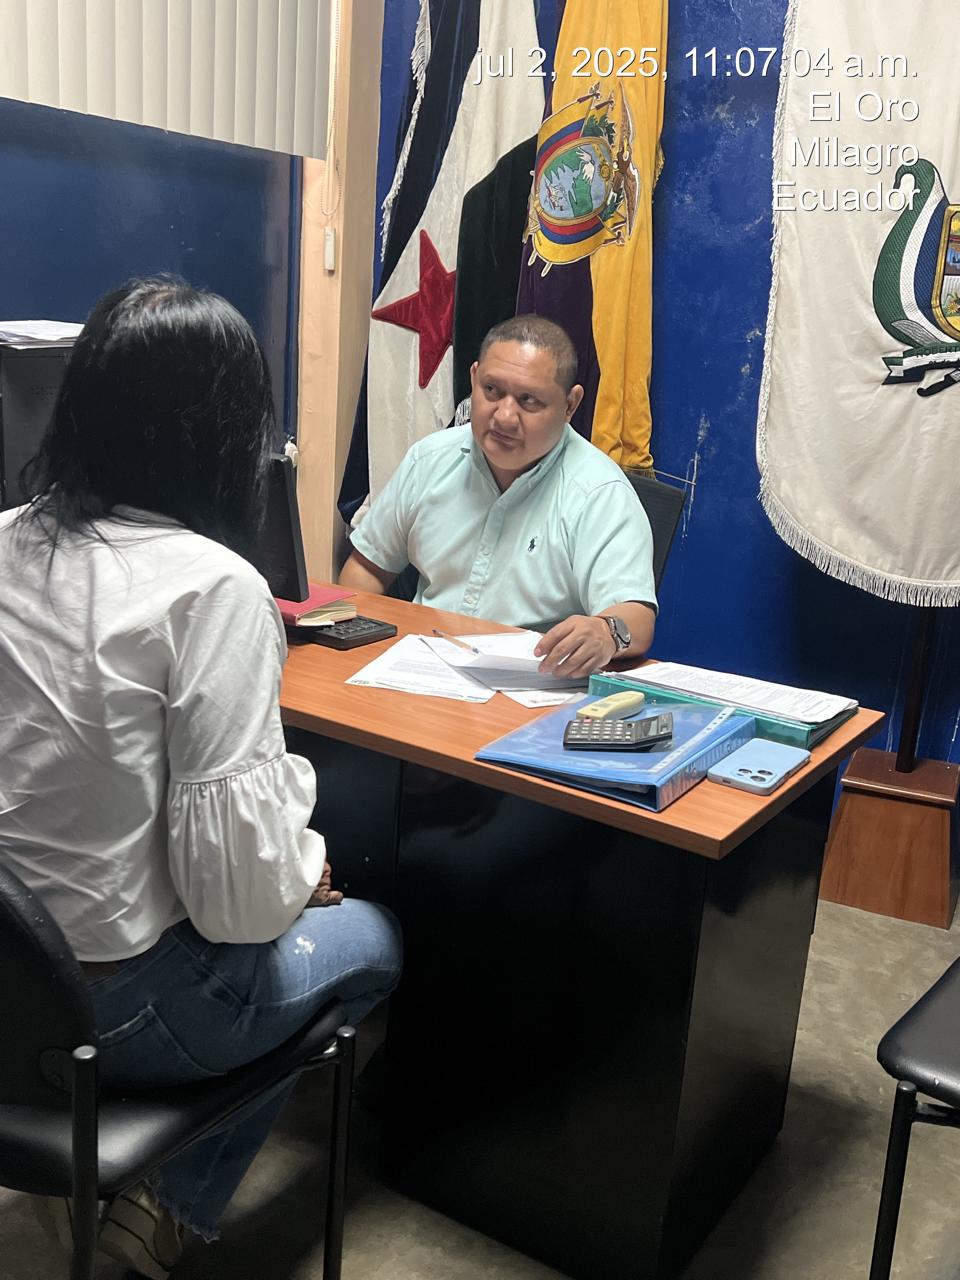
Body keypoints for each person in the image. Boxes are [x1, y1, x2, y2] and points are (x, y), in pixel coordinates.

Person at [0, 278, 402, 1279]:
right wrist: (299, 872)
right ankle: (168, 1207)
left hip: (11, 976)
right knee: (374, 941)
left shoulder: (6, 536)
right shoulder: (212, 586)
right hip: (112, 1010)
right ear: (224, 434)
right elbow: (235, 903)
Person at [340, 315, 657, 678]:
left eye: (529, 400)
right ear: (474, 378)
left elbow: (636, 617)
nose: (504, 417)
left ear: (570, 405)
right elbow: (367, 568)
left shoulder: (599, 493)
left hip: (531, 682)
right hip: (421, 666)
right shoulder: (429, 460)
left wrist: (606, 631)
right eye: (491, 390)